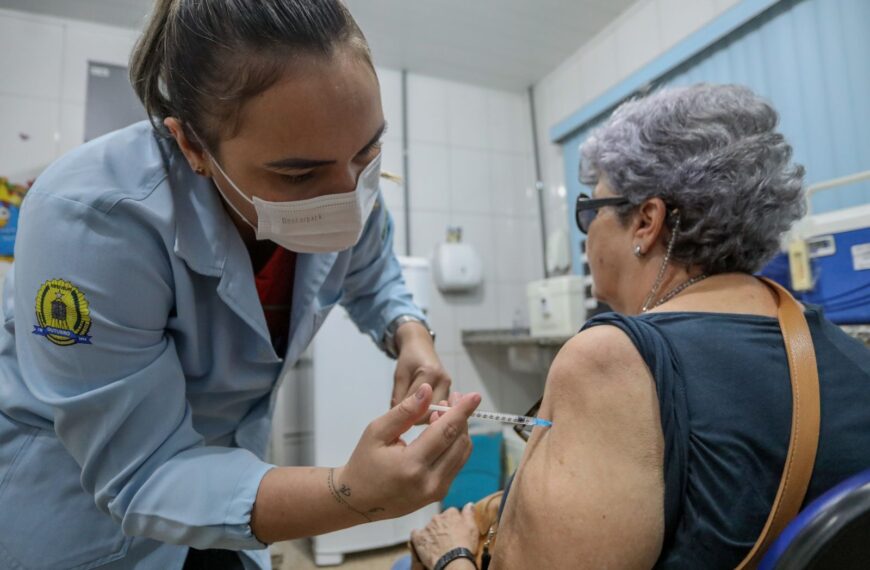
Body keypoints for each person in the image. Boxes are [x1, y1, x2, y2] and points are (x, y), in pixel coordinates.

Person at [0, 1, 481, 568]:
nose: (348, 194)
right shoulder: (92, 219)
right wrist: (351, 494)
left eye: (368, 152)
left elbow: (373, 275)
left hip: (229, 491)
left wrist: (410, 333)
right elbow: (145, 471)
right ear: (193, 146)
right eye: (300, 175)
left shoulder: (344, 178)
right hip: (86, 518)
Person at [410, 84, 870, 569]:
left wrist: (451, 555)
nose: (587, 238)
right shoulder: (850, 355)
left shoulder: (610, 360)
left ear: (646, 222)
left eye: (591, 212)